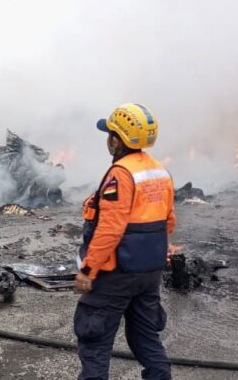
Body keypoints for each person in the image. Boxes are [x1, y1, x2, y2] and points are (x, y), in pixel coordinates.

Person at [74, 103, 176, 380]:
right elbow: (168, 222)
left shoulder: (121, 174)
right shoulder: (159, 172)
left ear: (117, 140)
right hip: (149, 274)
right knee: (145, 337)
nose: (107, 139)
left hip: (116, 274)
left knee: (94, 340)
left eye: (110, 134)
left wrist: (88, 270)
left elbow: (110, 228)